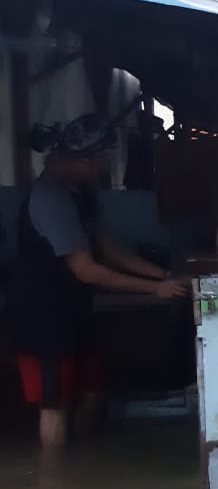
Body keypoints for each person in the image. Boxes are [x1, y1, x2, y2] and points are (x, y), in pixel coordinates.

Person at [7, 114, 191, 448]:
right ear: (82, 159)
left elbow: (111, 250)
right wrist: (154, 288)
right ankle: (54, 484)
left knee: (93, 388)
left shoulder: (82, 193)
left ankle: (82, 467)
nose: (103, 169)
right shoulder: (50, 198)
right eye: (101, 161)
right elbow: (87, 269)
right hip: (40, 315)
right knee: (54, 402)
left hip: (72, 307)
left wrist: (164, 275)